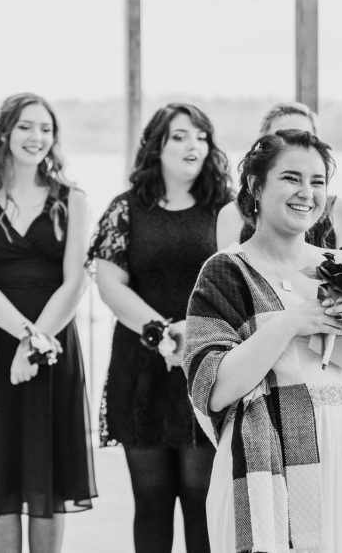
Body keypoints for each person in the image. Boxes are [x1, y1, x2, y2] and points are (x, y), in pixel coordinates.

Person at [185, 129, 342, 553]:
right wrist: (287, 324)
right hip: (271, 465)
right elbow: (212, 390)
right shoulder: (226, 271)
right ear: (256, 185)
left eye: (318, 181)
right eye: (291, 178)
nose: (306, 192)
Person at [0, 92, 96, 553]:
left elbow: (75, 283)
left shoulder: (73, 199)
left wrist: (38, 344)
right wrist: (26, 337)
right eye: (27, 126)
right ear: (5, 132)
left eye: (46, 129)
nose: (37, 137)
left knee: (51, 482)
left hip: (54, 348)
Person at [86, 103, 233, 553]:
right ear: (157, 146)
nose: (194, 145)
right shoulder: (127, 208)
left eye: (201, 137)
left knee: (201, 496)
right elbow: (109, 281)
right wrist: (160, 332)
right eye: (180, 136)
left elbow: (236, 280)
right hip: (143, 363)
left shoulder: (225, 211)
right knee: (150, 499)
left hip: (206, 364)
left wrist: (191, 332)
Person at [215, 102, 342, 249]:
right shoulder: (232, 215)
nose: (294, 145)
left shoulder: (341, 212)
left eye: (304, 138)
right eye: (283, 136)